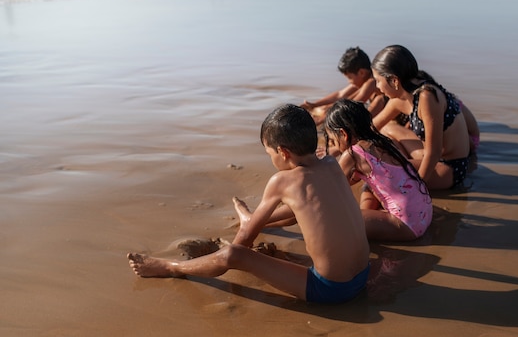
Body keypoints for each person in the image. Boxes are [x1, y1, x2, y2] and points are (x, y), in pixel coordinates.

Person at [127, 104, 370, 304]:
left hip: (332, 290)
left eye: (269, 153)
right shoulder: (330, 163)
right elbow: (309, 208)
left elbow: (243, 242)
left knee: (233, 254)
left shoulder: (283, 181)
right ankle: (251, 216)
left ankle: (170, 267)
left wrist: (239, 240)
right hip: (363, 275)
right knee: (292, 215)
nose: (271, 158)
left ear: (283, 152)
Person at [324, 99, 432, 241]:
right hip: (424, 215)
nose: (334, 145)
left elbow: (331, 188)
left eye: (333, 139)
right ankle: (370, 216)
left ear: (343, 134)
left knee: (338, 221)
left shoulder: (352, 154)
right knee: (368, 186)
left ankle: (369, 220)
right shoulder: (383, 142)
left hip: (407, 225)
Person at [370, 45, 475, 190]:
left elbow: (434, 153)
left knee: (379, 172)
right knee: (387, 129)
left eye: (378, 80)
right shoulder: (406, 93)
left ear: (394, 80)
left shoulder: (427, 97)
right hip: (432, 156)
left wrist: (416, 188)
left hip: (449, 167)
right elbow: (372, 127)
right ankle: (402, 165)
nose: (377, 87)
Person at [301, 47, 386, 124]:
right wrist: (314, 105)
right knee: (323, 109)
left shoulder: (371, 82)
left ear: (361, 73)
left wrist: (320, 120)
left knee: (378, 100)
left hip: (388, 116)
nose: (349, 82)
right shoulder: (362, 80)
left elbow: (350, 106)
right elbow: (340, 95)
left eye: (349, 77)